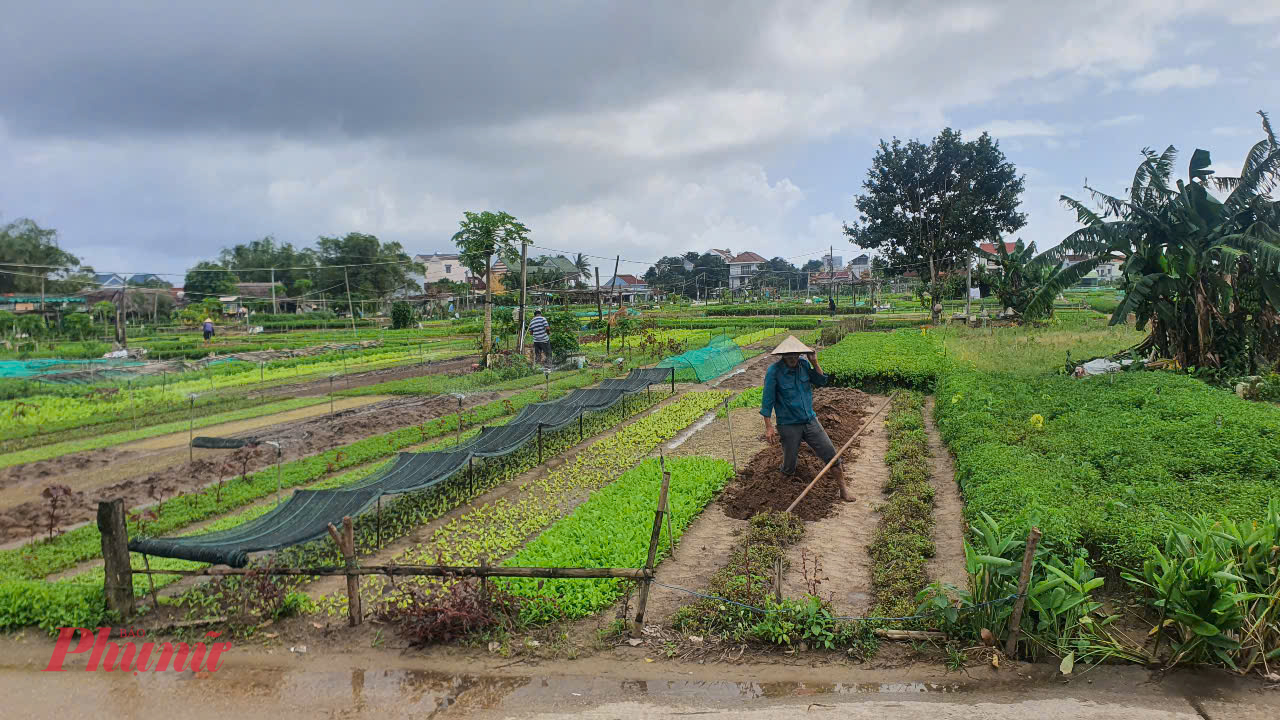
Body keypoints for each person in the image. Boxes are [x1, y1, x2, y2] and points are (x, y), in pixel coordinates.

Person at [760, 335, 853, 502]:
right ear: (783, 355)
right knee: (789, 466)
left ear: (799, 354)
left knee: (831, 455)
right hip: (788, 425)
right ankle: (783, 494)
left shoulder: (804, 364)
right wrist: (768, 427)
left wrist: (815, 362)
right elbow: (767, 401)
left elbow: (821, 381)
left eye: (795, 354)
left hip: (810, 420)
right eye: (789, 355)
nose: (792, 358)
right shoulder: (774, 372)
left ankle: (843, 490)